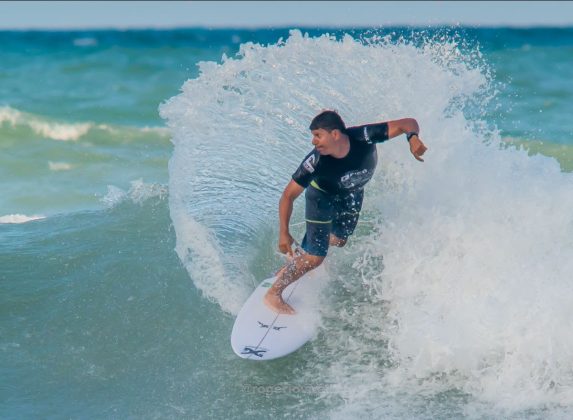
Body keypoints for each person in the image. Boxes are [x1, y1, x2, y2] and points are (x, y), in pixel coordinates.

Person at [263, 110, 428, 315]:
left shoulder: (364, 136)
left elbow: (408, 122)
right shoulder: (315, 162)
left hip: (352, 193)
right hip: (321, 197)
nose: (314, 142)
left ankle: (305, 254)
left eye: (318, 135)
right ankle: (274, 293)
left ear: (335, 134)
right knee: (316, 258)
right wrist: (283, 232)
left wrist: (412, 138)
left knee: (339, 240)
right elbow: (288, 196)